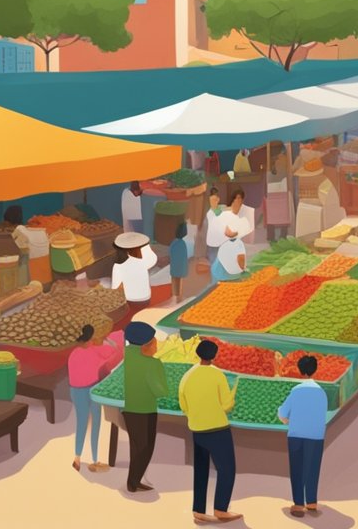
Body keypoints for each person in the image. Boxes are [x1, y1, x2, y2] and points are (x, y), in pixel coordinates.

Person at [179, 339, 242, 523]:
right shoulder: (217, 375)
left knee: (201, 469)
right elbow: (226, 405)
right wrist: (235, 392)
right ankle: (221, 509)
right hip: (217, 429)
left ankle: (198, 511)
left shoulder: (187, 376)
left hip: (197, 429)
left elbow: (183, 405)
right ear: (214, 356)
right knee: (227, 469)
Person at [68, 323, 124, 473]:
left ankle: (77, 457)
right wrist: (107, 339)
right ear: (91, 338)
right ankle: (94, 459)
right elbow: (116, 350)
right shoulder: (95, 351)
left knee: (81, 423)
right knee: (96, 423)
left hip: (76, 391)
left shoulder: (73, 354)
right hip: (92, 389)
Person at [278, 354, 328, 518]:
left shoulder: (296, 391)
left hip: (296, 434)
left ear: (300, 370)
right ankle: (312, 502)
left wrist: (288, 422)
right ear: (315, 370)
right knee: (313, 467)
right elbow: (323, 415)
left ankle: (298, 504)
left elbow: (282, 412)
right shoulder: (321, 392)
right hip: (316, 435)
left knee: (297, 468)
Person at [122, 321, 167, 493]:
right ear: (146, 345)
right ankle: (133, 483)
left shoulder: (124, 356)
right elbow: (161, 390)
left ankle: (134, 481)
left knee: (136, 446)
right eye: (154, 341)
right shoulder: (152, 364)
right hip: (145, 409)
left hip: (128, 409)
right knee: (145, 447)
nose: (156, 344)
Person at [110, 232, 158, 316]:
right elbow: (153, 259)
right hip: (146, 299)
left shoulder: (118, 266)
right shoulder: (142, 262)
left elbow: (115, 287)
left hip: (130, 302)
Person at [169, 221, 190, 303]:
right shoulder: (183, 243)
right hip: (180, 267)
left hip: (174, 266)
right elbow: (184, 256)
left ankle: (175, 295)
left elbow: (170, 252)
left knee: (174, 281)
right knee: (180, 282)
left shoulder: (174, 243)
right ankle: (178, 297)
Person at [203, 188, 225, 266]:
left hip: (212, 236)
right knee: (215, 253)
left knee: (213, 253)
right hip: (216, 236)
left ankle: (214, 267)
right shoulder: (215, 210)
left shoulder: (210, 211)